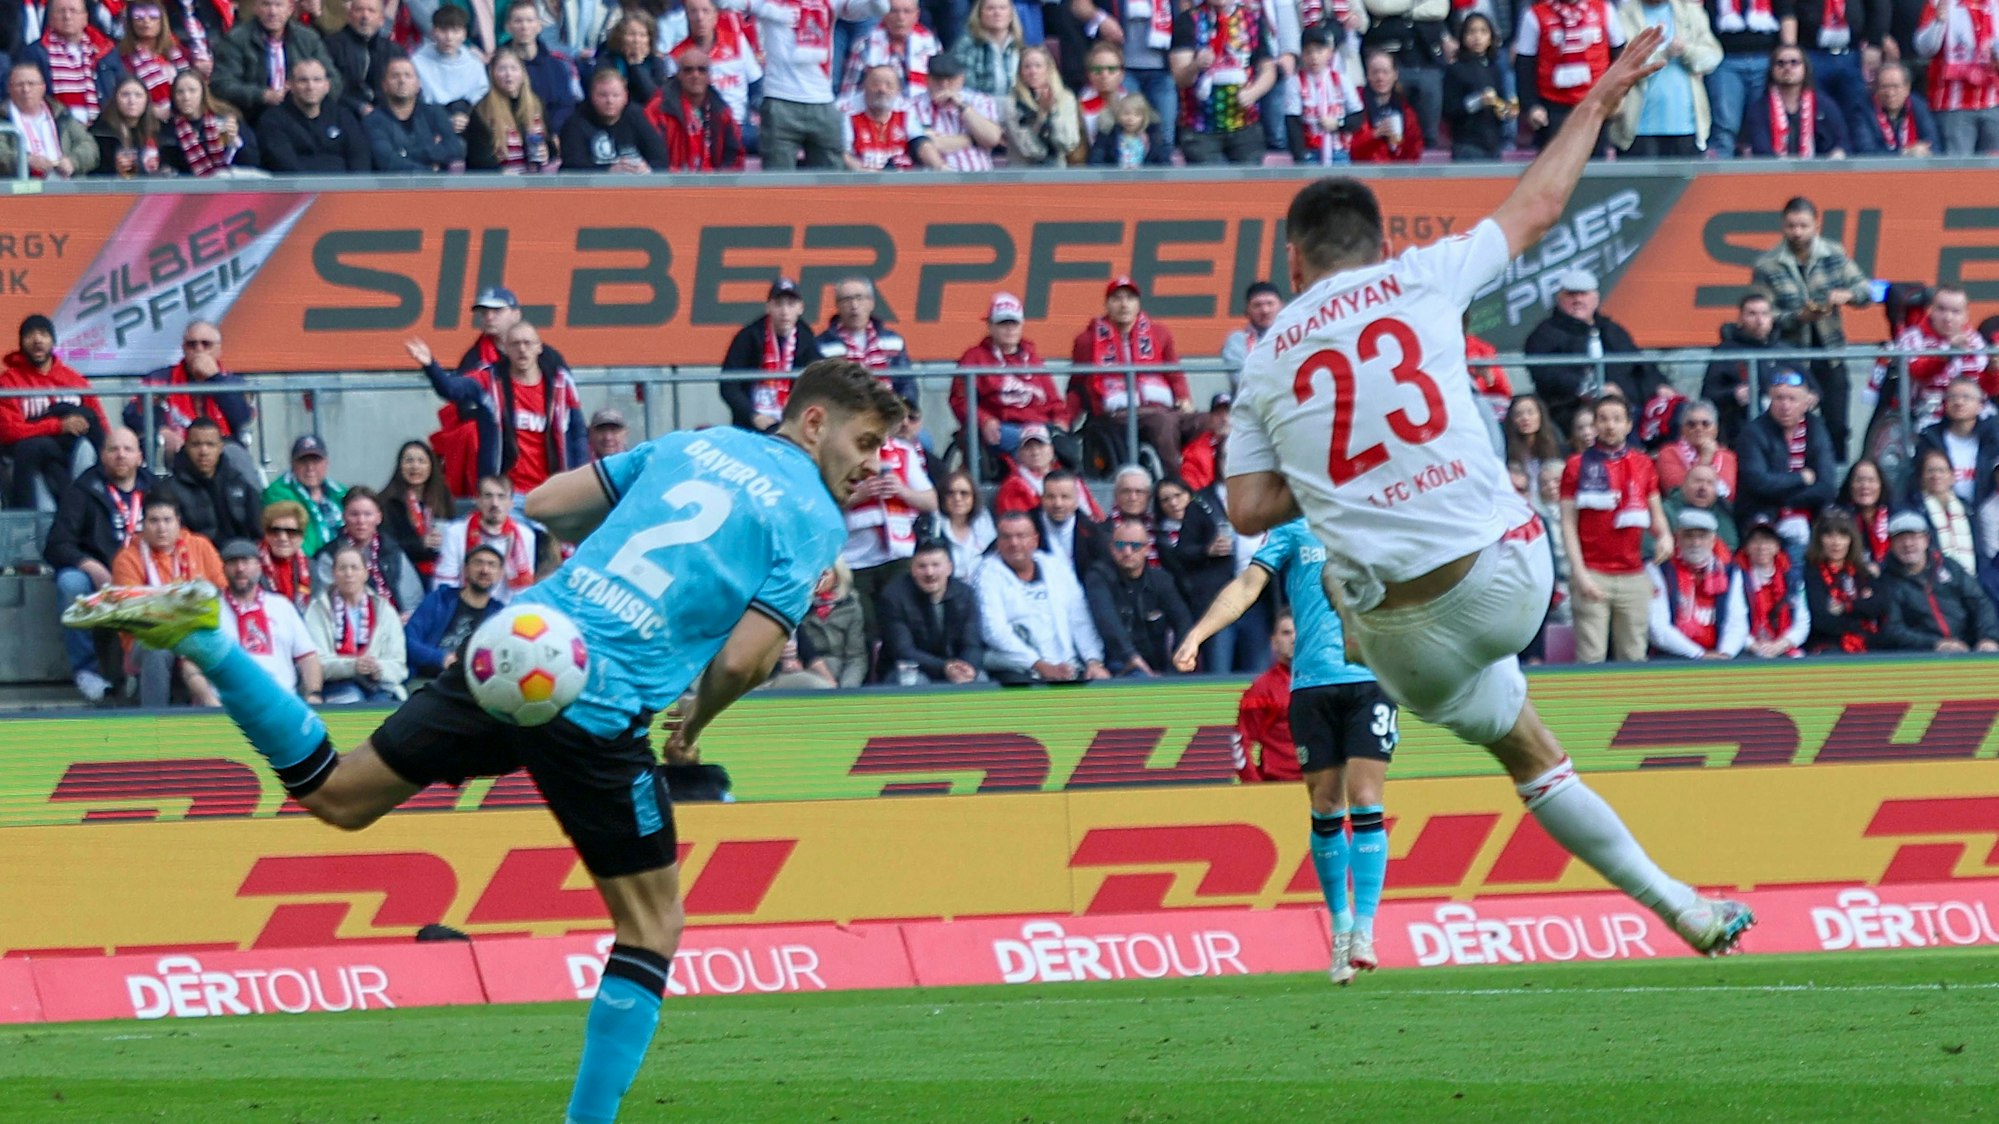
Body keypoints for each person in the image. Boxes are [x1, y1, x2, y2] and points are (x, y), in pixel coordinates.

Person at [67, 359, 906, 1124]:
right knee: (653, 924)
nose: (871, 462)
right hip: (598, 700)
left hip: (522, 641)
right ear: (810, 423)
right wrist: (699, 717)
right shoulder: (811, 518)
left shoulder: (696, 442)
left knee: (337, 794)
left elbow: (543, 506)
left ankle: (212, 639)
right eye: (864, 440)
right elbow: (745, 658)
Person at [1224, 27, 1756, 960]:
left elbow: (1245, 509)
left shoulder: (1264, 355)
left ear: (1295, 264)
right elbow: (1541, 205)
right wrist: (1594, 97)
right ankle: (1686, 907)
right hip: (1510, 578)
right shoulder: (1419, 274)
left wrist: (1331, 482)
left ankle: (1676, 906)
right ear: (1379, 244)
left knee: (1373, 610)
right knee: (1535, 746)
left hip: (1403, 641)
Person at [1173, 514, 1399, 981]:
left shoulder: (1375, 518)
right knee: (1325, 804)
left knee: (1366, 798)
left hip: (1370, 679)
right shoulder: (1294, 530)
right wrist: (1197, 634)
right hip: (1312, 686)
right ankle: (1339, 928)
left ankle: (1365, 928)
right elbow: (1248, 585)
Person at [407, 321, 589, 496]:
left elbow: (578, 433)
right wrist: (430, 365)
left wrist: (579, 478)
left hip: (551, 491)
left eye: (528, 343)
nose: (522, 349)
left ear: (539, 347)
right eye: (515, 344)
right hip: (505, 494)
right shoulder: (489, 381)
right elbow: (450, 389)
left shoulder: (560, 385)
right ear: (506, 350)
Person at [1560, 396, 1672, 663]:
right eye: (1604, 419)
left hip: (1634, 572)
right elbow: (1567, 523)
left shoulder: (1643, 463)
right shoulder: (1576, 465)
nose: (1610, 426)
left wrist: (1665, 535)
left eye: (1617, 419)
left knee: (1634, 655)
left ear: (1628, 425)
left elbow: (1656, 511)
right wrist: (1580, 574)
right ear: (1595, 425)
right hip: (1592, 571)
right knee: (1591, 656)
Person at [44, 427, 147, 703]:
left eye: (127, 449)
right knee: (70, 583)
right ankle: (86, 672)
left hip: (145, 572)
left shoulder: (155, 490)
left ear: (139, 456)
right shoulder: (83, 490)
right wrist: (89, 564)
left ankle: (142, 671)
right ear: (102, 455)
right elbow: (56, 544)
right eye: (113, 449)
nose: (120, 455)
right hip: (100, 574)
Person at [724, 0, 888, 168]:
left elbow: (880, 8)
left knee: (830, 185)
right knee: (778, 186)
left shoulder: (830, 3)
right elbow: (722, 3)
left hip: (823, 103)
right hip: (780, 101)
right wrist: (767, 10)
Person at [1068, 276, 1203, 479]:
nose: (1124, 305)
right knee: (1162, 422)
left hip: (1161, 408)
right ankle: (1176, 483)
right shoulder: (1087, 340)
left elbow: (1174, 373)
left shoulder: (1159, 333)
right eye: (1117, 298)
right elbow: (1078, 385)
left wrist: (1183, 397)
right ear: (1107, 304)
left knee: (1211, 422)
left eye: (1130, 298)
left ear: (1138, 303)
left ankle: (1209, 482)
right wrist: (1065, 419)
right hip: (1118, 414)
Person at [110, 494, 224, 708]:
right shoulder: (127, 558)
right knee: (157, 648)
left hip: (196, 628)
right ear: (142, 525)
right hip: (148, 636)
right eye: (153, 521)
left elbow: (222, 592)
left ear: (178, 522)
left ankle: (216, 714)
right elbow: (132, 612)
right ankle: (155, 719)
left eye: (167, 520)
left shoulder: (200, 546)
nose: (161, 528)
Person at [1523, 268, 1666, 436]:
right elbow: (1546, 374)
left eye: (1583, 294)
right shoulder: (1544, 334)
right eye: (1571, 295)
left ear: (1595, 298)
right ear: (1559, 298)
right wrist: (1593, 389)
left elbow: (1640, 365)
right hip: (1570, 411)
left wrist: (1659, 385)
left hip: (1626, 408)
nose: (1578, 300)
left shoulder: (1612, 330)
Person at [974, 510, 1109, 683]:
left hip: (1068, 667)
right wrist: (1039, 665)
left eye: (1021, 536)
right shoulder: (986, 574)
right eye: (1006, 537)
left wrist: (1093, 660)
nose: (1014, 543)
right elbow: (994, 631)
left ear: (1035, 540)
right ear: (998, 542)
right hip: (1018, 670)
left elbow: (1080, 619)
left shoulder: (1056, 567)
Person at [840, 399, 934, 645]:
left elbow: (931, 501)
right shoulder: (843, 452)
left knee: (901, 624)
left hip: (898, 552)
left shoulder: (904, 451)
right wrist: (860, 495)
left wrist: (902, 491)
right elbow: (822, 504)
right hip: (855, 557)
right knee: (866, 629)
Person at [2, 313, 108, 510]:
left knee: (84, 419)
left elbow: (99, 422)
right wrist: (58, 426)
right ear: (21, 342)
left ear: (53, 341)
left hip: (71, 453)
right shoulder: (9, 382)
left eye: (43, 334)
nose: (37, 340)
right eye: (30, 335)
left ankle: (104, 499)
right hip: (31, 457)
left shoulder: (74, 380)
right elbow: (9, 431)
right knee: (37, 446)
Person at [951, 291, 1068, 463]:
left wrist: (1061, 420)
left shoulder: (1033, 358)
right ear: (990, 326)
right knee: (1030, 445)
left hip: (1039, 425)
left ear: (1021, 325)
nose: (1009, 329)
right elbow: (960, 401)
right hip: (1003, 427)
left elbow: (1054, 400)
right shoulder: (974, 357)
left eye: (1014, 323)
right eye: (1003, 324)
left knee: (1066, 446)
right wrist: (984, 420)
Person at [124, 320, 256, 463]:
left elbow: (242, 418)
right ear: (183, 349)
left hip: (221, 449)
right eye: (192, 344)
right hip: (177, 449)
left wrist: (215, 378)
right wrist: (160, 431)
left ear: (218, 350)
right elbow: (131, 415)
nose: (199, 349)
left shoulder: (234, 382)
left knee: (235, 454)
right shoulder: (159, 379)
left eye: (206, 344)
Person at [1736, 368, 1837, 552]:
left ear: (1806, 403)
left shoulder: (1816, 429)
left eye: (1792, 399)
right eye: (1779, 398)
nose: (1785, 405)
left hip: (1809, 515)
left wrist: (1785, 499)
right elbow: (1757, 483)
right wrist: (1800, 479)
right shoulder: (1753, 433)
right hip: (1763, 517)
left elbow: (1827, 487)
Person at [1871, 509, 1999, 651]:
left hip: (1969, 647)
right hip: (1923, 656)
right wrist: (1935, 644)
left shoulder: (1949, 566)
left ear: (1926, 540)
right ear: (1891, 544)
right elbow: (1893, 629)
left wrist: (1989, 637)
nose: (1907, 544)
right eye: (1900, 538)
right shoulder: (1886, 580)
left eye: (1914, 537)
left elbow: (1980, 602)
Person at [1609, 0, 1722, 156]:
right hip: (1638, 128)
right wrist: (1665, 54)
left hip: (1687, 126)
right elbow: (1626, 64)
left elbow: (1713, 56)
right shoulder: (1624, 14)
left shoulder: (1691, 11)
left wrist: (1685, 51)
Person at [1877, 286, 1994, 434]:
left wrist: (1993, 371)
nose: (1948, 317)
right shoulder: (1913, 337)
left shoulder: (1975, 340)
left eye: (1955, 312)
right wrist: (1947, 354)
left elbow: (1986, 388)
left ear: (1966, 315)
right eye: (1942, 310)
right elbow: (1918, 371)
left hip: (1973, 415)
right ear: (1930, 310)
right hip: (1927, 414)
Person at [219, 539, 324, 701]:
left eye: (246, 562)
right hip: (229, 704)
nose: (240, 568)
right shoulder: (211, 610)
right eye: (233, 562)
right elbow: (192, 665)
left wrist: (314, 694)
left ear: (259, 567)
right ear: (224, 569)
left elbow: (308, 656)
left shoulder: (281, 606)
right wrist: (210, 702)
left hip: (281, 702)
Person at [307, 541, 412, 703]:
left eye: (354, 568)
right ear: (333, 574)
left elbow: (399, 665)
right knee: (350, 697)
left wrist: (378, 668)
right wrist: (352, 666)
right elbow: (315, 662)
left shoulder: (385, 610)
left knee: (385, 708)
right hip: (335, 684)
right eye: (342, 568)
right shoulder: (318, 609)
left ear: (365, 573)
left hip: (379, 684)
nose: (348, 574)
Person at [1515, 0, 1627, 151]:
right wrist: (1531, 106)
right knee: (1555, 166)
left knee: (1595, 167)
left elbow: (1620, 57)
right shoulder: (1535, 15)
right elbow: (1524, 66)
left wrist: (1619, 96)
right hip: (1552, 108)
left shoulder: (1604, 9)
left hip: (1595, 103)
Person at [1083, 518, 1190, 676]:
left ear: (1147, 549)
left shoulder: (1161, 579)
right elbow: (1107, 621)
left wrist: (1178, 662)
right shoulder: (1098, 576)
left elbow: (1182, 620)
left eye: (1135, 546)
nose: (1127, 552)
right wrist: (1131, 657)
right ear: (1111, 548)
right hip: (1116, 664)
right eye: (1120, 545)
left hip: (1158, 666)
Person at [720, 278, 825, 432]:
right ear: (768, 307)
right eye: (778, 304)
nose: (784, 312)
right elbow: (729, 385)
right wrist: (753, 416)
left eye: (790, 304)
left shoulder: (808, 340)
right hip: (751, 425)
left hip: (793, 424)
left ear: (800, 308)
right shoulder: (748, 336)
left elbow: (818, 386)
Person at [213, 0, 343, 124]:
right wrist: (263, 95)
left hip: (303, 113)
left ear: (290, 9)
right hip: (255, 115)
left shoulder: (308, 38)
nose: (272, 12)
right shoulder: (236, 39)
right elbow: (222, 84)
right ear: (256, 8)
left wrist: (306, 93)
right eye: (266, 4)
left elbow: (334, 80)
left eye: (278, 5)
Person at [875, 538, 984, 682]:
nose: (929, 572)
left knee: (981, 679)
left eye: (936, 565)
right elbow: (903, 650)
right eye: (922, 566)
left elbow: (972, 643)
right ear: (912, 569)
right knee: (916, 682)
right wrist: (945, 668)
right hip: (908, 669)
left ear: (949, 568)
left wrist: (967, 667)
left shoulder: (965, 594)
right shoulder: (893, 597)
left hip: (954, 666)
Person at [1646, 508, 1744, 659]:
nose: (1695, 542)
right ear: (1677, 537)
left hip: (1720, 657)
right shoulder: (1658, 568)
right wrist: (1699, 654)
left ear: (1713, 540)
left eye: (1702, 536)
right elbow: (1656, 629)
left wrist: (1725, 654)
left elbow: (1737, 621)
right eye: (1688, 536)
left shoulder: (1730, 571)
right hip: (1671, 656)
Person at [312, 487, 426, 614]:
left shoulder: (392, 549)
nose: (361, 521)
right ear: (344, 517)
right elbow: (325, 603)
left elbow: (413, 599)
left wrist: (405, 617)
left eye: (368, 514)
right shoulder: (330, 555)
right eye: (354, 514)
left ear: (378, 517)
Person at [668, 0, 763, 152]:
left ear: (715, 15)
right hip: (698, 130)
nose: (700, 17)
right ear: (686, 15)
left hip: (739, 125)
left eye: (705, 11)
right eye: (693, 11)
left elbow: (756, 84)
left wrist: (756, 112)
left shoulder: (737, 42)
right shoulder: (676, 56)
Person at [403, 541, 507, 677]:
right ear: (465, 569)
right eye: (478, 563)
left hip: (471, 689)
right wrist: (441, 658)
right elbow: (408, 640)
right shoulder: (440, 600)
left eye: (492, 565)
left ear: (500, 574)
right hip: (426, 682)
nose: (484, 570)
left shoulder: (500, 616)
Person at [1914, 0, 1999, 154]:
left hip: (1993, 103)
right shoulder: (1938, 3)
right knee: (1959, 170)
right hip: (1952, 106)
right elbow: (1923, 48)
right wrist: (1938, 22)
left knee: (1993, 170)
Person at [260, 58, 376, 171]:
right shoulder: (272, 120)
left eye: (317, 80)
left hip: (344, 188)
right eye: (303, 80)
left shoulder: (343, 116)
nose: (310, 87)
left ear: (327, 86)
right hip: (297, 189)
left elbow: (360, 159)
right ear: (289, 85)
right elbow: (285, 165)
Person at [21, 0, 124, 126]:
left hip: (103, 128)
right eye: (61, 11)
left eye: (73, 11)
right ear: (51, 18)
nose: (67, 16)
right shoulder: (35, 53)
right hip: (57, 127)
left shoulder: (105, 50)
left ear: (85, 17)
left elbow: (120, 86)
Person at [434, 472, 539, 596]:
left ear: (511, 503)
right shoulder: (455, 532)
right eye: (488, 496)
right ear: (478, 501)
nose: (494, 503)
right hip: (463, 606)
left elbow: (524, 590)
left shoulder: (526, 535)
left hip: (505, 609)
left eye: (501, 497)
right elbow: (445, 583)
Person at [160, 419, 261, 547]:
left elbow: (258, 531)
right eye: (196, 444)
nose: (203, 452)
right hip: (195, 560)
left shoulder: (240, 483)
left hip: (240, 560)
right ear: (185, 447)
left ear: (220, 447)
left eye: (210, 444)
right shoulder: (169, 490)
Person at [1701, 291, 1782, 446]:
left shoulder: (1785, 351)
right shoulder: (1725, 352)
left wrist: (1808, 394)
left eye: (1764, 314)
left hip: (1783, 428)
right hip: (1738, 429)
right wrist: (1733, 394)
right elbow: (1707, 395)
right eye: (1752, 314)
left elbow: (1813, 388)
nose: (1759, 320)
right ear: (1740, 318)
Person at [816, 278, 917, 402]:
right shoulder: (822, 345)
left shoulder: (893, 341)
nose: (854, 305)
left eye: (859, 298)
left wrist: (909, 409)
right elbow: (821, 390)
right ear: (837, 306)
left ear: (871, 303)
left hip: (888, 412)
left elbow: (906, 382)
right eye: (847, 300)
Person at [647, 45, 746, 170]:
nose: (695, 75)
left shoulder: (722, 111)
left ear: (709, 76)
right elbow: (651, 153)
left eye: (702, 70)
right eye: (688, 70)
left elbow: (735, 156)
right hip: (670, 182)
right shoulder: (659, 108)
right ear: (679, 75)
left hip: (713, 184)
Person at [1740, 44, 1850, 155]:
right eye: (1780, 63)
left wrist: (1837, 155)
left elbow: (1842, 142)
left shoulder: (1824, 105)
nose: (1787, 68)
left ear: (1805, 68)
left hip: (1819, 170)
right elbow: (1760, 150)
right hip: (1774, 170)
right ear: (1772, 70)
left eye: (1794, 62)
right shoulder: (1759, 109)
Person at [1230, 612, 1302, 782]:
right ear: (1274, 642)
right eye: (1286, 633)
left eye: (1298, 631)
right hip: (1280, 783)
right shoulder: (1262, 689)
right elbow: (1241, 740)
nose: (1294, 638)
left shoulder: (1325, 681)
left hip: (1324, 786)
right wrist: (1254, 786)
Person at [1802, 508, 1882, 653]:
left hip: (1868, 642)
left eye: (1843, 535)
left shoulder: (1863, 572)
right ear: (1819, 540)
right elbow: (1821, 620)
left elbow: (1880, 606)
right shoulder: (1811, 574)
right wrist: (1861, 613)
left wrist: (1846, 607)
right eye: (1829, 535)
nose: (1836, 542)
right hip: (1827, 645)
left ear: (1852, 540)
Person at [1915, 377, 1999, 515]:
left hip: (1986, 514)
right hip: (1941, 514)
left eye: (1966, 397)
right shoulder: (1929, 439)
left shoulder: (1993, 439)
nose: (1959, 402)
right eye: (1953, 397)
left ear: (1980, 405)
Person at [368, 55, 470, 169]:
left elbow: (455, 148)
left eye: (408, 75)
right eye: (395, 76)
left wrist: (406, 154)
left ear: (418, 84)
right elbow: (387, 161)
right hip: (393, 186)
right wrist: (430, 169)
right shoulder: (374, 120)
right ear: (384, 85)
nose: (402, 80)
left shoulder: (434, 113)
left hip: (437, 186)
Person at [560, 65, 670, 169]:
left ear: (625, 97)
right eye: (603, 95)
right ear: (592, 96)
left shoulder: (637, 117)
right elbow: (571, 167)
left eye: (616, 95)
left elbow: (660, 158)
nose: (610, 101)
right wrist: (608, 171)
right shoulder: (575, 123)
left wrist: (647, 169)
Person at [465, 46, 555, 170]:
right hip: (499, 183)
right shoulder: (481, 111)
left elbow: (550, 146)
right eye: (502, 69)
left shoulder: (537, 105)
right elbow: (478, 160)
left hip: (534, 181)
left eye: (514, 69)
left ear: (523, 73)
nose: (508, 74)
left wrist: (547, 153)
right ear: (492, 74)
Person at [1, 63, 97, 179]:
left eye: (31, 84)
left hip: (66, 185)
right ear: (9, 88)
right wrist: (25, 161)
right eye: (19, 85)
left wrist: (72, 162)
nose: (26, 89)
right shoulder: (3, 117)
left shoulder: (62, 115)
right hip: (21, 187)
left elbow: (90, 146)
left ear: (43, 87)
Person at [908, 52, 1003, 169]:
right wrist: (972, 139)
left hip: (978, 178)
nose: (944, 85)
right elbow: (922, 145)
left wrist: (963, 107)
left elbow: (992, 139)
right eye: (938, 79)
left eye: (950, 79)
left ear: (961, 78)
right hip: (933, 180)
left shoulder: (980, 101)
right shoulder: (911, 106)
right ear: (927, 79)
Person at [379, 439, 454, 585]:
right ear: (400, 466)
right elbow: (385, 544)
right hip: (404, 575)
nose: (415, 466)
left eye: (421, 461)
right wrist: (420, 544)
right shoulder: (388, 502)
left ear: (431, 466)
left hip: (441, 572)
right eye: (409, 461)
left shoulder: (442, 498)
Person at [499, 1, 581, 133]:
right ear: (508, 27)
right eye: (518, 21)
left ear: (539, 26)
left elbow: (565, 105)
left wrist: (548, 132)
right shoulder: (498, 67)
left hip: (550, 136)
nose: (524, 27)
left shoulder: (557, 67)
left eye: (530, 21)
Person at [839, 0, 939, 106]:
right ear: (883, 14)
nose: (901, 18)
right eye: (894, 11)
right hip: (876, 114)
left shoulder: (931, 43)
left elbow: (938, 85)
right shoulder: (864, 44)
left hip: (921, 114)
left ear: (916, 15)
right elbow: (849, 92)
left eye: (907, 11)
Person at [1441, 14, 1513, 161]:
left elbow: (1501, 104)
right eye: (1471, 31)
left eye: (1483, 31)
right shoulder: (1456, 69)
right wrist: (1478, 101)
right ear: (1463, 36)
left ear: (1491, 37)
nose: (1477, 37)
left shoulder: (1495, 69)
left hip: (1493, 143)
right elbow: (1448, 109)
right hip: (1467, 144)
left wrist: (1507, 110)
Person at [1733, 520, 1809, 657]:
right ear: (1746, 547)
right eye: (1755, 541)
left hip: (1784, 646)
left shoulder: (1792, 579)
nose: (1762, 547)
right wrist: (1754, 646)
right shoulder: (1736, 577)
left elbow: (1802, 621)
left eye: (1767, 541)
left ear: (1777, 546)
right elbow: (1733, 620)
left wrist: (1781, 644)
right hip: (1746, 649)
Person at [159, 69, 258, 173]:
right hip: (190, 187)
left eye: (192, 91)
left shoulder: (226, 117)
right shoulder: (169, 129)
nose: (186, 97)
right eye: (180, 92)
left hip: (229, 185)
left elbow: (252, 161)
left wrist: (235, 141)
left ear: (203, 93)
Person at [264, 435, 349, 555]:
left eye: (316, 461)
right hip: (308, 562)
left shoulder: (339, 491)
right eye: (303, 461)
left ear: (326, 463)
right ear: (292, 464)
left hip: (344, 560)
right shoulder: (277, 493)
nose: (310, 468)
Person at [1912, 446, 1981, 574]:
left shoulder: (1967, 508)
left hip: (1971, 580)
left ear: (1952, 476)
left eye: (1941, 470)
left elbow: (1979, 549)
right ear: (1921, 477)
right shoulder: (1914, 508)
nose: (1936, 476)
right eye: (1930, 471)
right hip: (1936, 581)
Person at [841, 61, 924, 168]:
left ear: (898, 90)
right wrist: (865, 173)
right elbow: (842, 154)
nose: (882, 90)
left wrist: (942, 169)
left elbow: (922, 143)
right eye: (875, 84)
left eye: (889, 85)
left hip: (902, 180)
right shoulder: (847, 111)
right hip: (862, 180)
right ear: (863, 86)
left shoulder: (907, 110)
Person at [412, 5, 491, 116]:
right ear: (433, 32)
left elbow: (479, 97)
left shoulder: (474, 64)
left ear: (464, 34)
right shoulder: (417, 62)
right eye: (443, 30)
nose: (449, 37)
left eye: (455, 31)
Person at [326, 0, 399, 117]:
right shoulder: (332, 45)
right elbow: (329, 87)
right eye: (359, 10)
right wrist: (359, 106)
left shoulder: (394, 51)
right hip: (344, 114)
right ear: (349, 16)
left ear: (382, 20)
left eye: (371, 11)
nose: (365, 16)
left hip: (386, 115)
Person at [1031, 467, 1108, 577]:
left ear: (1076, 500)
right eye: (1051, 497)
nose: (1058, 504)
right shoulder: (1026, 526)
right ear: (1042, 499)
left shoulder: (1092, 533)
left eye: (1065, 497)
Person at [118, 1, 194, 110]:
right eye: (138, 17)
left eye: (153, 17)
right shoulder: (124, 57)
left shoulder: (177, 49)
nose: (146, 21)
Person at [1350, 49, 1423, 161]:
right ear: (1367, 75)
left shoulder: (1405, 110)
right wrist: (1374, 135)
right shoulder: (1355, 103)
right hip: (1363, 169)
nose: (1380, 78)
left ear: (1395, 75)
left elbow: (1415, 147)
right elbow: (1348, 146)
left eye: (1385, 72)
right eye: (1375, 72)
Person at [1655, 399, 1736, 499]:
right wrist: (1705, 459)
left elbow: (1730, 495)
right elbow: (1678, 493)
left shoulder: (1728, 457)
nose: (1698, 428)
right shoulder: (1668, 453)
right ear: (1682, 429)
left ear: (1716, 429)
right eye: (1691, 424)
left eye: (1705, 424)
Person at [88, 76, 166, 178]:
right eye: (125, 95)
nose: (132, 101)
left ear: (147, 100)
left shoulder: (160, 130)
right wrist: (114, 167)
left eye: (138, 95)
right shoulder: (101, 133)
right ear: (115, 99)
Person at [1855, 59, 1937, 154]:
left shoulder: (1919, 107)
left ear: (1907, 88)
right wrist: (1904, 153)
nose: (1890, 93)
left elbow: (1934, 145)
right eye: (1884, 87)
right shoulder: (1863, 110)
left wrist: (1923, 151)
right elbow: (1866, 151)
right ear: (1876, 89)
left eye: (1895, 86)